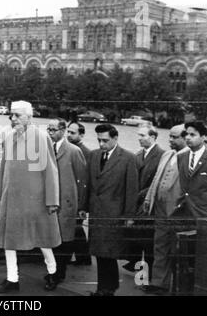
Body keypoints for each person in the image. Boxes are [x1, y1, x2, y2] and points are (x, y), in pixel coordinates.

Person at [0, 101, 61, 293]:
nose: (13, 119)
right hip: (11, 199)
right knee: (9, 240)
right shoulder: (9, 136)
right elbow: (4, 166)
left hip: (36, 200)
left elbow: (50, 170)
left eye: (17, 115)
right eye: (11, 115)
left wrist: (52, 200)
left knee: (43, 239)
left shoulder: (41, 137)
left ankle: (53, 273)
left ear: (29, 117)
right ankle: (12, 279)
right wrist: (0, 191)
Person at [87, 124, 139, 296]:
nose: (101, 144)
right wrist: (83, 206)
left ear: (115, 138)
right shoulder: (94, 155)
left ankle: (108, 288)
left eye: (105, 140)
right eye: (99, 140)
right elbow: (89, 185)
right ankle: (104, 288)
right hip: (97, 212)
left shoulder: (128, 158)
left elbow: (132, 190)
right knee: (99, 252)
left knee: (109, 253)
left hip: (114, 214)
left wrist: (129, 215)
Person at [140, 125, 189, 295]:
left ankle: (174, 285)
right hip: (159, 208)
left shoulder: (190, 158)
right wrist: (148, 199)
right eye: (170, 136)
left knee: (174, 249)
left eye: (174, 137)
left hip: (177, 212)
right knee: (159, 245)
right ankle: (158, 282)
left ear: (185, 138)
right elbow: (156, 179)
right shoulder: (167, 154)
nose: (170, 140)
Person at [48, 118, 87, 283]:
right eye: (48, 129)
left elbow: (82, 180)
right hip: (50, 203)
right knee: (51, 239)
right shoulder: (45, 149)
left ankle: (59, 274)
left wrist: (81, 206)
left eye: (54, 129)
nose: (50, 132)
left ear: (62, 130)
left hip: (66, 204)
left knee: (65, 241)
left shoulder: (73, 151)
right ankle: (53, 272)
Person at [123, 124, 164, 274]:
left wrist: (141, 194)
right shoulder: (138, 155)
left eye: (142, 135)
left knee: (147, 240)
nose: (139, 138)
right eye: (138, 135)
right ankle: (137, 264)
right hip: (137, 201)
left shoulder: (161, 155)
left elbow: (158, 181)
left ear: (153, 137)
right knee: (137, 236)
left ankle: (147, 272)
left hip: (149, 203)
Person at [67, 121, 92, 265]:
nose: (69, 135)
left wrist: (82, 204)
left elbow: (84, 180)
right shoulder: (74, 149)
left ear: (81, 135)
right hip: (73, 196)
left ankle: (82, 257)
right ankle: (83, 257)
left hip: (77, 197)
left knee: (75, 228)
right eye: (68, 132)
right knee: (76, 228)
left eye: (73, 133)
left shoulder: (84, 152)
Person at [177, 121, 207, 220]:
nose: (188, 137)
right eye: (186, 134)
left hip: (205, 215)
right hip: (184, 212)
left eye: (192, 135)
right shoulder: (181, 157)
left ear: (203, 137)